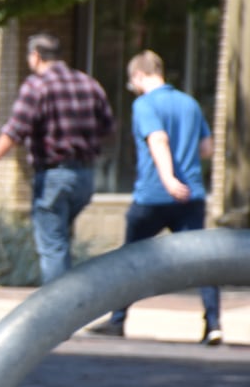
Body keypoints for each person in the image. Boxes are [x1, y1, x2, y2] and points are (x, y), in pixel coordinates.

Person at [87, 50, 222, 345]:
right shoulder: (190, 103)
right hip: (192, 197)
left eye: (131, 81)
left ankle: (117, 320)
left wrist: (169, 178)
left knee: (129, 259)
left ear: (138, 75)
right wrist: (185, 163)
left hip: (154, 195)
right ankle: (213, 323)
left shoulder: (144, 104)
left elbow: (157, 139)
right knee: (203, 261)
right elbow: (207, 148)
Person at [0, 31, 113, 285]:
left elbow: (15, 128)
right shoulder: (88, 83)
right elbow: (108, 129)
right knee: (62, 243)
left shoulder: (37, 85)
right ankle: (71, 304)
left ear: (36, 56)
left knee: (53, 248)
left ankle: (57, 315)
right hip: (84, 176)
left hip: (54, 175)